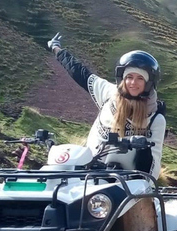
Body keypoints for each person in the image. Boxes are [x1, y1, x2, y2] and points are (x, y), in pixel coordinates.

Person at [47, 33, 166, 179]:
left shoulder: (155, 118)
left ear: (148, 83)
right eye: (129, 77)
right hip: (89, 173)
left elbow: (153, 165)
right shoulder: (109, 93)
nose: (133, 83)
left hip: (128, 183)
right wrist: (57, 49)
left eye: (140, 78)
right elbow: (80, 73)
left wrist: (143, 155)